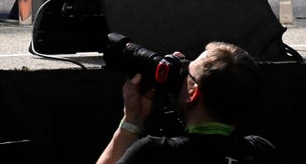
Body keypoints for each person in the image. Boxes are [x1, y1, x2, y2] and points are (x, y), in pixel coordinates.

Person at [96, 41, 277, 164]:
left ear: (193, 92)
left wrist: (131, 122)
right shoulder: (259, 152)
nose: (181, 75)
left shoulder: (155, 153)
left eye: (186, 72)